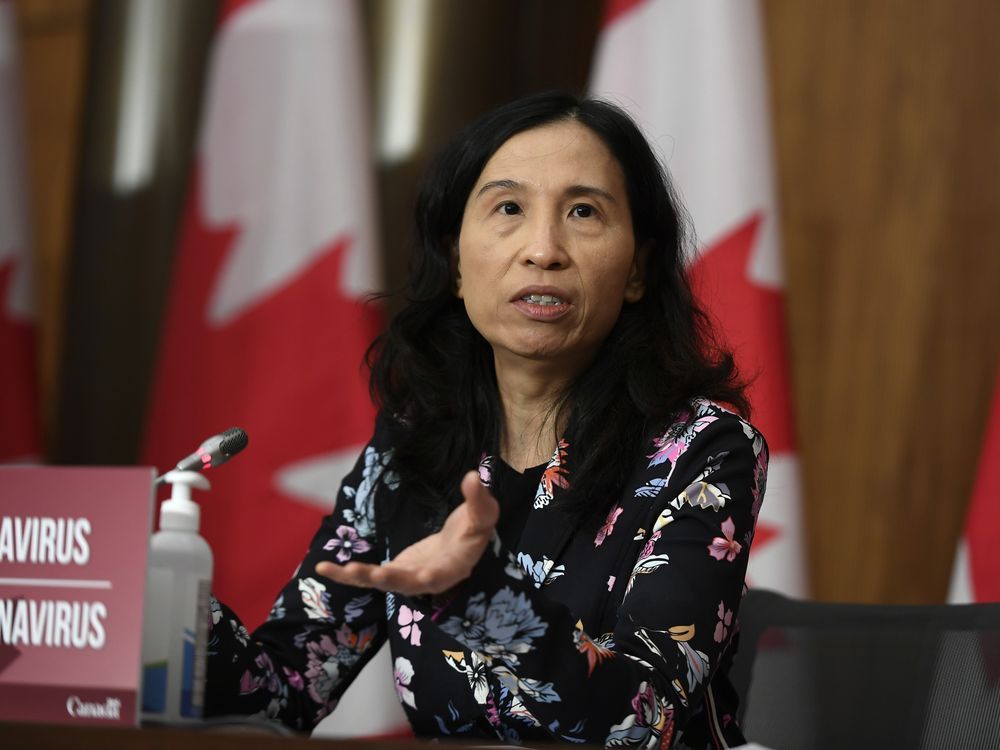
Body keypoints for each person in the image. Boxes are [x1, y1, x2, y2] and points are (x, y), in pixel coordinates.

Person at [205, 91, 768, 749]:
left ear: (639, 267)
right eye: (508, 208)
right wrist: (154, 603)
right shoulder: (409, 453)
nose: (543, 249)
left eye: (583, 212)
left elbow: (642, 721)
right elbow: (281, 693)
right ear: (455, 265)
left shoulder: (702, 450)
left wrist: (481, 598)